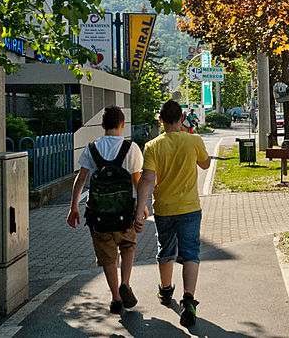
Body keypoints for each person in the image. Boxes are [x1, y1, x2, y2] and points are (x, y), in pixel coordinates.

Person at [135, 101, 211, 328]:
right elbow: (206, 165)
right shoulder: (193, 140)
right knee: (190, 253)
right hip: (189, 207)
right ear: (181, 119)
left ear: (160, 120)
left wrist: (139, 212)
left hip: (164, 208)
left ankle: (166, 291)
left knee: (165, 250)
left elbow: (147, 180)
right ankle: (188, 301)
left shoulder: (152, 146)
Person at [67, 106, 144, 314]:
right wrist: (142, 208)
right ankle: (125, 283)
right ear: (122, 124)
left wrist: (74, 206)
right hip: (124, 213)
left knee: (108, 257)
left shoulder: (92, 148)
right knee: (127, 246)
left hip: (99, 216)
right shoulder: (131, 148)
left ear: (102, 126)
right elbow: (137, 181)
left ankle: (116, 298)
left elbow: (81, 179)